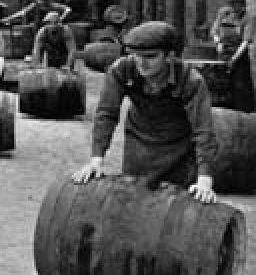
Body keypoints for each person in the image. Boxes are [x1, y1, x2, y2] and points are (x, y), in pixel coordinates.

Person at [72, 21, 218, 203]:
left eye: (150, 56)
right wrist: (96, 159)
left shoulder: (190, 81)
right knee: (135, 202)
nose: (141, 63)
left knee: (173, 209)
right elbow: (106, 114)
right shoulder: (122, 70)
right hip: (138, 145)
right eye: (135, 55)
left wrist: (204, 179)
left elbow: (203, 130)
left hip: (178, 149)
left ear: (170, 56)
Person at [210, 0, 256, 112]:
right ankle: (226, 113)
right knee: (223, 86)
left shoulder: (249, 17)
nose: (233, 10)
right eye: (230, 6)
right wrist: (218, 42)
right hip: (223, 54)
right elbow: (214, 31)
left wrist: (234, 58)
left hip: (239, 56)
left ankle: (245, 115)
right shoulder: (223, 13)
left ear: (241, 5)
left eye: (236, 6)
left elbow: (246, 41)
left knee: (241, 87)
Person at [1, 0, 72, 31]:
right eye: (37, 0)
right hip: (39, 28)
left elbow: (68, 9)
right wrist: (8, 18)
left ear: (45, 0)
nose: (38, 2)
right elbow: (23, 12)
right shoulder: (35, 5)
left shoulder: (52, 5)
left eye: (40, 1)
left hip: (52, 28)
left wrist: (60, 19)